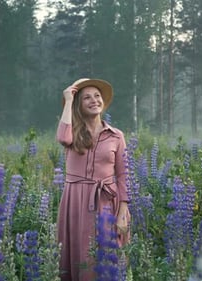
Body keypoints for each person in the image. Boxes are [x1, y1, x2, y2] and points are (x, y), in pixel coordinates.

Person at [56, 78, 131, 281]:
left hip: (107, 201)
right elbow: (63, 138)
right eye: (86, 98)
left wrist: (123, 210)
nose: (94, 100)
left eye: (97, 96)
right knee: (78, 256)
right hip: (76, 201)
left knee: (107, 256)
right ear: (78, 104)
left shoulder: (116, 135)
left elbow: (123, 174)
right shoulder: (72, 132)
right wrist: (68, 100)